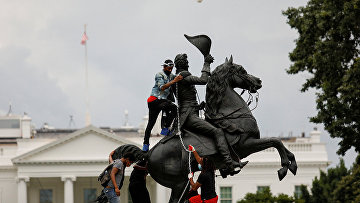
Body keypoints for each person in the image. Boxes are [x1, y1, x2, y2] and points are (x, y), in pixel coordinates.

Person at [173, 53, 241, 175]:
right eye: (186, 62)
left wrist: (198, 106)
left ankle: (220, 163)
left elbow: (185, 100)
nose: (188, 63)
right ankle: (229, 164)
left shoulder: (177, 78)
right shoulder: (183, 76)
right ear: (183, 64)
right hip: (189, 117)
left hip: (190, 112)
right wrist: (207, 63)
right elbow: (203, 80)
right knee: (217, 132)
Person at [143, 59, 183, 151]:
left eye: (171, 69)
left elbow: (178, 77)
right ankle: (146, 143)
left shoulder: (171, 75)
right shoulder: (159, 75)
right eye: (168, 68)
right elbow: (162, 87)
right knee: (151, 123)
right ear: (164, 67)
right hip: (154, 100)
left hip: (162, 101)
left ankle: (165, 127)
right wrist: (174, 81)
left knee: (172, 109)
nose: (170, 70)